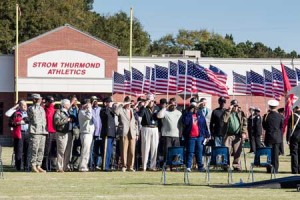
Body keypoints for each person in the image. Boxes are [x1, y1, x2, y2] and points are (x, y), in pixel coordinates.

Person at [182, 103, 210, 172]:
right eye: (193, 108)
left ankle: (200, 167)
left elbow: (204, 126)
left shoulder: (200, 115)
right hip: (191, 136)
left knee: (199, 152)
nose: (195, 109)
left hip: (199, 136)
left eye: (196, 108)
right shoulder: (187, 115)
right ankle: (188, 166)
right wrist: (189, 113)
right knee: (190, 152)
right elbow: (186, 122)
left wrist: (207, 134)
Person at [222, 99, 247, 171]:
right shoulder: (227, 112)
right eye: (234, 106)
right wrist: (228, 111)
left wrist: (244, 132)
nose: (235, 108)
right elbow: (224, 120)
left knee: (237, 151)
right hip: (228, 135)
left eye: (236, 106)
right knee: (226, 150)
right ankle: (226, 165)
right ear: (231, 106)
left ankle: (236, 166)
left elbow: (245, 124)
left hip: (238, 135)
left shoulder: (241, 113)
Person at [115, 96, 138, 172]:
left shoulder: (132, 110)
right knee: (124, 150)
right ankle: (124, 165)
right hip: (124, 132)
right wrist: (121, 104)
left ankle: (130, 166)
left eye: (129, 103)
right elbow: (116, 112)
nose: (129, 104)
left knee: (132, 150)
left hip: (132, 132)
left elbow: (135, 123)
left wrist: (137, 133)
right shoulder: (121, 110)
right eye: (127, 103)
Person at [138, 94, 160, 171]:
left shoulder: (157, 108)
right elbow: (140, 115)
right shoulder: (144, 108)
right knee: (145, 147)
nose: (151, 102)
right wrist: (144, 106)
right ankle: (144, 166)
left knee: (154, 148)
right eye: (149, 100)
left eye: (152, 101)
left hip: (155, 128)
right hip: (146, 128)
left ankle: (152, 166)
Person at [27, 93, 48, 173]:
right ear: (34, 99)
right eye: (38, 98)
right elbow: (30, 118)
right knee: (34, 149)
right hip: (35, 131)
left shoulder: (41, 108)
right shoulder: (31, 108)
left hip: (43, 131)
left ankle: (39, 165)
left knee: (41, 149)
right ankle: (33, 165)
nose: (40, 100)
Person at [7, 100, 30, 171]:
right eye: (23, 105)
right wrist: (18, 123)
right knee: (19, 151)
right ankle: (18, 167)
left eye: (26, 105)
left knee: (27, 151)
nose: (25, 106)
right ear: (19, 106)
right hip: (19, 133)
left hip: (28, 133)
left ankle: (26, 167)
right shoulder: (15, 113)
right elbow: (10, 123)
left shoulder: (29, 113)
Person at [157, 98, 182, 162]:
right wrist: (165, 108)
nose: (172, 106)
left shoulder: (179, 113)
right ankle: (167, 164)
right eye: (171, 104)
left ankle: (175, 164)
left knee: (176, 151)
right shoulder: (165, 112)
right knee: (167, 151)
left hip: (176, 135)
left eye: (174, 104)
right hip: (167, 135)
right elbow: (159, 116)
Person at [262, 99, 283, 173]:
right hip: (277, 137)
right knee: (275, 155)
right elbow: (281, 126)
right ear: (276, 106)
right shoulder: (280, 116)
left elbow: (264, 127)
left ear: (269, 106)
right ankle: (275, 169)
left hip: (269, 137)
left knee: (269, 154)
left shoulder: (266, 116)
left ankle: (269, 169)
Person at [54, 99, 71, 172]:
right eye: (68, 104)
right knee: (61, 150)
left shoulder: (68, 112)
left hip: (68, 132)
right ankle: (59, 167)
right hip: (61, 133)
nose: (69, 105)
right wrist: (66, 120)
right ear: (64, 105)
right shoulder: (59, 112)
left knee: (68, 151)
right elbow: (57, 122)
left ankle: (65, 166)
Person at [100, 97, 116, 171]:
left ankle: (107, 165)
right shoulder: (103, 110)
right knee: (106, 150)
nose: (110, 103)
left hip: (112, 132)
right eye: (109, 102)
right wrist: (107, 107)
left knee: (109, 151)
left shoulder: (112, 110)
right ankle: (104, 166)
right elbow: (105, 115)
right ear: (105, 103)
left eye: (111, 102)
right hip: (107, 132)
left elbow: (116, 112)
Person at [78, 99, 94, 172]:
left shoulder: (87, 111)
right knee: (85, 151)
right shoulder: (81, 112)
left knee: (87, 151)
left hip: (89, 133)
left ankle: (84, 165)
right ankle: (82, 166)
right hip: (85, 133)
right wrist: (89, 108)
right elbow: (89, 117)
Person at [42, 96, 57, 171]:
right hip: (47, 131)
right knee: (47, 150)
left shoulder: (53, 109)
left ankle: (52, 165)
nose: (50, 103)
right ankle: (45, 165)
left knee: (53, 150)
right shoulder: (44, 109)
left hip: (54, 131)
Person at [68, 96, 80, 171]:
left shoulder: (78, 109)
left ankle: (76, 165)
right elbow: (67, 111)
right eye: (73, 101)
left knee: (77, 148)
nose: (75, 102)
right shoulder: (69, 108)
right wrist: (71, 103)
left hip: (77, 129)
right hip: (71, 129)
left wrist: (76, 106)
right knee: (70, 147)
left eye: (76, 100)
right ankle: (69, 164)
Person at [90, 96, 102, 170]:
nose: (96, 102)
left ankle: (97, 164)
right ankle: (91, 165)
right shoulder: (89, 110)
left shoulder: (101, 110)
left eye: (97, 101)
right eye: (94, 101)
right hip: (91, 133)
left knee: (99, 150)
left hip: (99, 133)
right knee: (91, 150)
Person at [287, 105, 300, 174]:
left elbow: (289, 128)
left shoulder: (293, 116)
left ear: (296, 108)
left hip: (295, 137)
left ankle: (295, 170)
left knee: (294, 153)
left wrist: (288, 138)